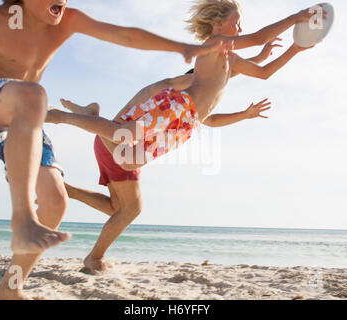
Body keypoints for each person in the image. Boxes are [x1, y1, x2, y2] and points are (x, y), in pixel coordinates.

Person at [0, 0, 231, 300]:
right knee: (33, 95)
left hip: (22, 121)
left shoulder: (69, 20)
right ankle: (23, 217)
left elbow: (126, 35)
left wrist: (183, 47)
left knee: (56, 202)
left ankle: (9, 290)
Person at [46, 0, 322, 274]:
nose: (240, 27)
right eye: (236, 22)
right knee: (125, 136)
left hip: (185, 125)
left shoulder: (230, 59)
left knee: (129, 162)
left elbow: (263, 73)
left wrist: (295, 49)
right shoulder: (214, 46)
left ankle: (88, 121)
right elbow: (260, 37)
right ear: (219, 24)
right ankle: (63, 117)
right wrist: (297, 16)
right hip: (178, 108)